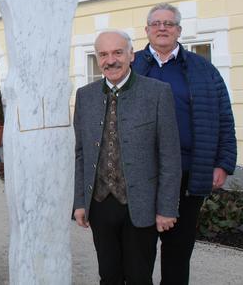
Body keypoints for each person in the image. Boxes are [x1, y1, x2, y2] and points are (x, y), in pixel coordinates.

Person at [132, 3, 237, 284]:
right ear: (147, 30)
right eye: (156, 23)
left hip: (189, 172)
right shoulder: (132, 67)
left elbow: (224, 117)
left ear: (179, 30)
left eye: (169, 23)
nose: (162, 28)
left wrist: (224, 163)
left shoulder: (204, 70)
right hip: (142, 175)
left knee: (178, 251)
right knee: (139, 251)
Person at [73, 30, 181, 284]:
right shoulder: (84, 96)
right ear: (98, 59)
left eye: (118, 52)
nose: (111, 60)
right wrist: (79, 201)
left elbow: (170, 156)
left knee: (139, 277)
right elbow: (81, 154)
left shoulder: (157, 93)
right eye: (104, 54)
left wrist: (166, 208)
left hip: (141, 205)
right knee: (108, 275)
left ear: (132, 55)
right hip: (100, 204)